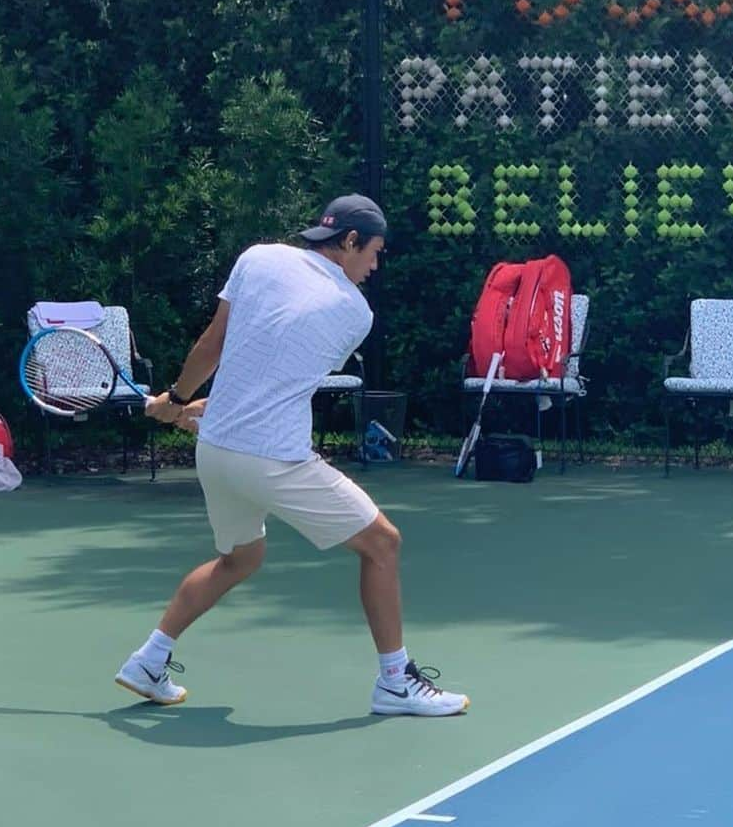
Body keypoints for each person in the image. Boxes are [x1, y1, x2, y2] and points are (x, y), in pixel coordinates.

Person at [114, 194, 469, 718]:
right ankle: (395, 682)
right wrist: (184, 404)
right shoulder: (354, 312)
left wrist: (179, 401)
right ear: (348, 242)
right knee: (383, 545)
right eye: (373, 252)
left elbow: (217, 348)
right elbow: (279, 381)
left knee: (240, 558)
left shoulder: (257, 258)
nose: (374, 266)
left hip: (216, 453)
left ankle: (150, 659)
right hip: (272, 460)